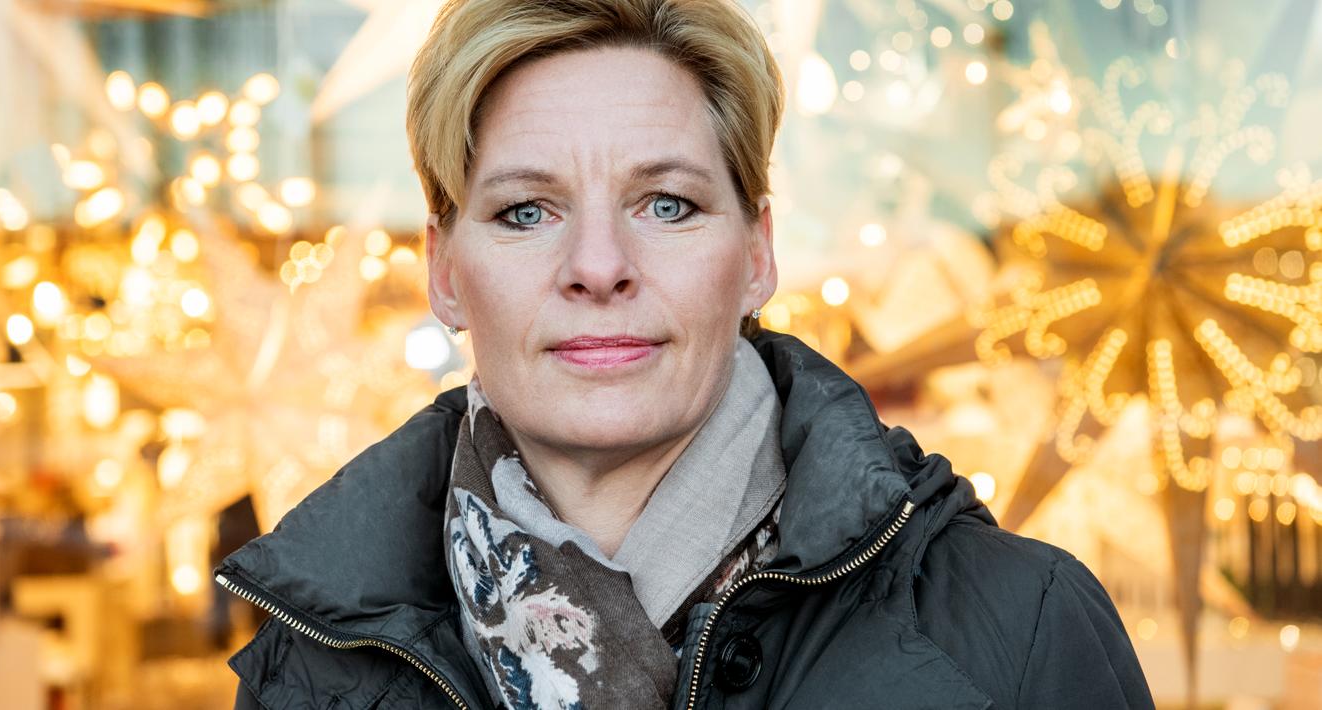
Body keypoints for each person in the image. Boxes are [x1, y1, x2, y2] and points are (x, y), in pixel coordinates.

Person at [215, 0, 1154, 707]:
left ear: (757, 255)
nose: (598, 267)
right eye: (525, 211)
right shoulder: (314, 667)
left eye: (667, 204)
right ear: (445, 273)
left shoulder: (1019, 628)